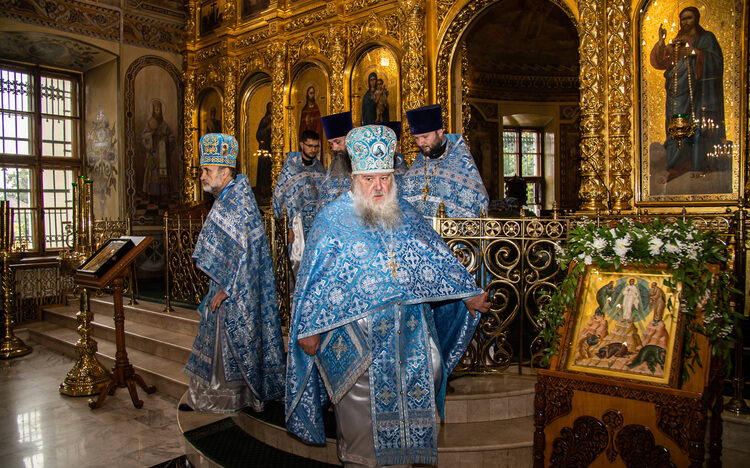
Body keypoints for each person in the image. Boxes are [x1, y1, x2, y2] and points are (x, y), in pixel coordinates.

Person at [285, 125, 490, 467]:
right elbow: (312, 280)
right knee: (362, 432)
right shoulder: (331, 220)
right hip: (356, 341)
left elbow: (434, 259)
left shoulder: (406, 213)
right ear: (354, 177)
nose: (379, 186)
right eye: (369, 178)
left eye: (385, 177)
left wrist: (466, 294)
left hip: (409, 340)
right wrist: (308, 328)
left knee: (415, 413)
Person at [183, 133, 286, 413]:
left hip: (234, 290)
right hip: (221, 285)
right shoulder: (227, 196)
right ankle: (208, 395)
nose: (202, 175)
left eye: (207, 170)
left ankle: (231, 398)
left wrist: (227, 289)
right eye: (203, 170)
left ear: (225, 171)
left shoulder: (237, 201)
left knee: (232, 342)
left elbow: (247, 253)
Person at [650, 6, 724, 180]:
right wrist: (661, 40)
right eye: (683, 19)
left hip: (698, 94)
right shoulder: (677, 40)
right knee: (675, 125)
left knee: (695, 125)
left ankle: (696, 164)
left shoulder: (706, 39)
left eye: (689, 18)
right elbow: (659, 60)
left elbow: (716, 62)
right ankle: (675, 166)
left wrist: (694, 53)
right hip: (676, 91)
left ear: (697, 19)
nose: (686, 22)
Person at [401, 104, 489, 218]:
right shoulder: (417, 166)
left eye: (425, 137)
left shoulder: (461, 162)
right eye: (416, 138)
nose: (420, 143)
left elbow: (478, 201)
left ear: (440, 132)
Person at [272, 129, 325, 271]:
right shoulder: (291, 168)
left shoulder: (319, 167)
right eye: (310, 146)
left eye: (316, 146)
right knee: (297, 260)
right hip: (297, 222)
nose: (313, 150)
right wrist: (287, 227)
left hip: (316, 221)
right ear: (302, 145)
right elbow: (279, 196)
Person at [317, 111, 354, 209]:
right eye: (331, 144)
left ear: (350, 139)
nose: (334, 148)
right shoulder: (332, 170)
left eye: (338, 142)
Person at [141, 99, 175, 202]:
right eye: (156, 110)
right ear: (153, 111)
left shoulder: (165, 125)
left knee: (164, 174)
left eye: (159, 110)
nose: (158, 111)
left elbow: (172, 137)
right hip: (154, 153)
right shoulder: (150, 123)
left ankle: (164, 194)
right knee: (153, 173)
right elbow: (144, 136)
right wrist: (151, 135)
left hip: (163, 154)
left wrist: (167, 140)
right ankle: (152, 194)